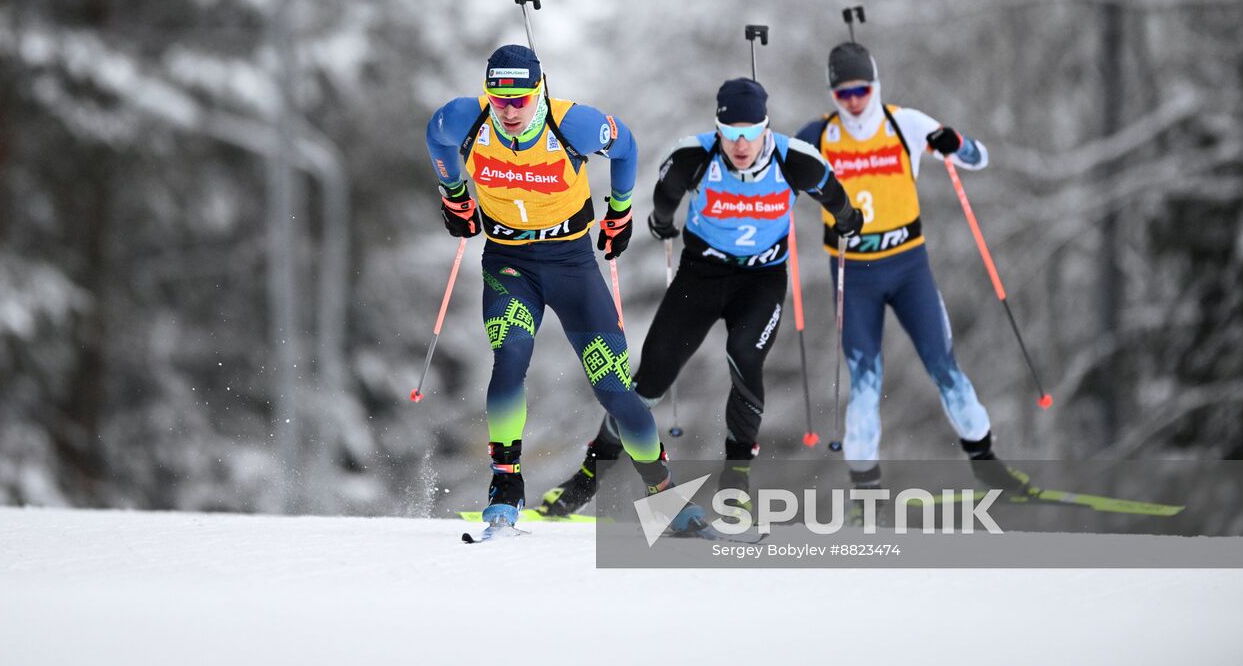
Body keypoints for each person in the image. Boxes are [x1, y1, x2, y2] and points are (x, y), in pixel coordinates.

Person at [538, 78, 864, 517]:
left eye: (751, 133)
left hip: (761, 281)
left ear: (767, 128)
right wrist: (660, 221)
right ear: (718, 130)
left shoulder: (796, 161)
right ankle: (588, 479)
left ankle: (737, 481)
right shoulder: (694, 155)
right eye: (731, 134)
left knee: (745, 356)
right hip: (700, 276)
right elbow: (665, 197)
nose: (741, 144)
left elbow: (838, 200)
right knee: (648, 380)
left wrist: (847, 221)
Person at [425, 43, 707, 534]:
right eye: (499, 98)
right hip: (509, 263)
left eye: (521, 99)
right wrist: (454, 196)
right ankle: (505, 486)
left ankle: (666, 501)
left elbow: (626, 146)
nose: (509, 111)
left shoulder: (572, 124)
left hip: (572, 264)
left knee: (616, 389)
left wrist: (620, 210)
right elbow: (435, 137)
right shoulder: (465, 120)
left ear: (540, 90)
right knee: (510, 358)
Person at [794, 41, 1023, 494]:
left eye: (861, 90)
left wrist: (953, 143)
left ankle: (987, 464)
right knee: (864, 382)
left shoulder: (906, 123)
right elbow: (772, 174)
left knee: (944, 366)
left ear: (875, 85)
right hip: (853, 273)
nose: (854, 102)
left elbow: (978, 157)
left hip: (907, 267)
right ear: (832, 95)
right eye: (843, 94)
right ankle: (865, 489)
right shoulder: (818, 136)